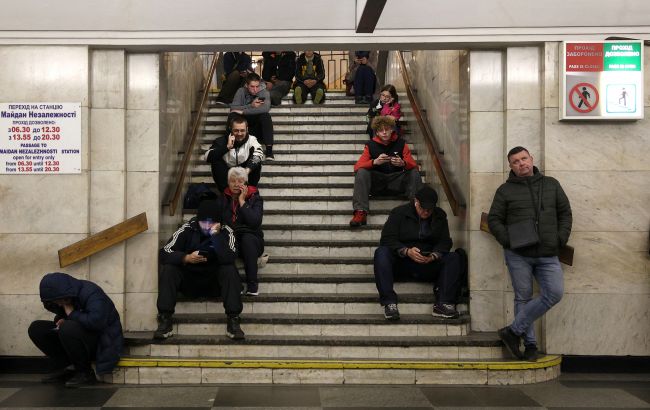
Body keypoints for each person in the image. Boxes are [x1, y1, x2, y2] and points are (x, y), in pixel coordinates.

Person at [488, 146, 572, 361]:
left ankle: (513, 331)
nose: (521, 163)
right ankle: (531, 345)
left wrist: (560, 239)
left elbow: (565, 213)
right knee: (523, 297)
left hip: (548, 253)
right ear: (510, 166)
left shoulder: (551, 184)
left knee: (554, 293)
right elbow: (494, 220)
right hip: (518, 254)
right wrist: (508, 241)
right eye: (515, 161)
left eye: (524, 158)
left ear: (531, 159)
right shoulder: (505, 190)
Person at [156, 199, 245, 340]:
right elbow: (164, 252)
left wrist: (216, 236)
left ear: (218, 222)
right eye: (204, 222)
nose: (207, 226)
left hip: (214, 282)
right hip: (190, 281)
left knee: (229, 269)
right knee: (169, 269)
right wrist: (185, 258)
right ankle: (165, 319)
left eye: (211, 223)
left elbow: (229, 257)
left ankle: (233, 320)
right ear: (198, 220)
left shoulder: (226, 231)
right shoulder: (188, 228)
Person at [374, 185, 463, 320]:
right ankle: (389, 303)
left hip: (427, 263)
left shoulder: (439, 215)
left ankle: (443, 303)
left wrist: (434, 255)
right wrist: (406, 251)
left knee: (454, 257)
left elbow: (445, 242)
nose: (426, 212)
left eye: (429, 210)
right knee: (381, 252)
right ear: (416, 202)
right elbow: (387, 239)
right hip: (402, 262)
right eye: (423, 208)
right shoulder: (399, 213)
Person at [28, 272, 123, 387]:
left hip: (103, 341)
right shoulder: (66, 298)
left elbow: (97, 323)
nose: (58, 304)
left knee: (68, 328)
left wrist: (72, 314)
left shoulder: (92, 293)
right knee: (37, 328)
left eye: (58, 301)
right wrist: (63, 318)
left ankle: (85, 373)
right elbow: (69, 315)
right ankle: (68, 368)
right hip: (82, 335)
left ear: (64, 294)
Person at [350, 115, 421, 227]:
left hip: (397, 182)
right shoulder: (370, 145)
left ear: (391, 130)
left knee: (414, 172)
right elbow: (357, 167)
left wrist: (403, 163)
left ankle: (417, 209)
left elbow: (415, 166)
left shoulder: (401, 143)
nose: (384, 132)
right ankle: (360, 212)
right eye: (380, 130)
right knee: (362, 171)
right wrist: (374, 162)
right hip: (378, 183)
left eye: (386, 129)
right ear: (377, 132)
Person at [220, 167, 264, 296]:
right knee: (221, 242)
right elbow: (222, 220)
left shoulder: (255, 198)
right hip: (232, 237)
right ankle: (236, 284)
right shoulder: (223, 198)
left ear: (245, 183)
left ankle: (252, 285)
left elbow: (254, 221)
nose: (236, 184)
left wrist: (242, 201)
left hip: (252, 239)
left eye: (240, 181)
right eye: (232, 181)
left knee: (247, 240)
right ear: (228, 183)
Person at [203, 114, 264, 192]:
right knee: (215, 158)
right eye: (236, 130)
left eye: (242, 130)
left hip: (246, 173)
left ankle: (250, 191)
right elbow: (207, 157)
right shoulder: (221, 141)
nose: (239, 133)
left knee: (257, 160)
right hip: (227, 175)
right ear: (230, 129)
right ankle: (226, 192)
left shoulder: (252, 140)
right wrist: (227, 147)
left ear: (247, 129)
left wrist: (246, 171)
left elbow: (258, 154)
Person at [229, 72, 275, 159]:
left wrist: (243, 112)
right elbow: (233, 108)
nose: (255, 89)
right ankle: (231, 145)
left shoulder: (264, 92)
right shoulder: (241, 91)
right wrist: (251, 105)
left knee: (266, 116)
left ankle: (269, 151)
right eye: (252, 86)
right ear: (247, 85)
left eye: (257, 86)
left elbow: (265, 109)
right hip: (242, 129)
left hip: (257, 128)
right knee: (232, 115)